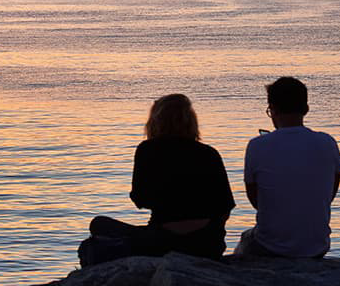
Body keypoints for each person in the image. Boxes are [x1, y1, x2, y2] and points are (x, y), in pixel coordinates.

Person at [78, 94, 235, 267]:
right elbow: (224, 208)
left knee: (99, 224)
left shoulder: (147, 150)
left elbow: (140, 198)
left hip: (160, 241)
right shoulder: (209, 153)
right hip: (206, 245)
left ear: (156, 120)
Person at [236, 77, 340, 258]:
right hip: (317, 246)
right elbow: (330, 193)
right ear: (306, 109)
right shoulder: (327, 142)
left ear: (273, 109)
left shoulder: (257, 146)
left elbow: (256, 200)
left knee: (245, 240)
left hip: (270, 246)